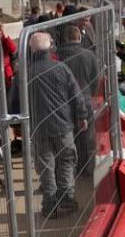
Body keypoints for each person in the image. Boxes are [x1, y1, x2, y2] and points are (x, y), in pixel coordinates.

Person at [28, 32, 88, 217]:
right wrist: (82, 115)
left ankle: (50, 205)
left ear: (31, 49)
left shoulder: (26, 73)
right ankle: (67, 200)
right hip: (63, 125)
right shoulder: (61, 68)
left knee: (46, 166)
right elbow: (76, 94)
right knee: (67, 162)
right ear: (51, 46)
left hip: (39, 127)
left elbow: (15, 101)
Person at [58, 25, 100, 171]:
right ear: (79, 37)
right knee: (85, 136)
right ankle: (85, 168)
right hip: (86, 98)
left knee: (67, 136)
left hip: (63, 102)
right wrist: (90, 94)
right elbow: (96, 79)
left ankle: (68, 168)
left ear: (65, 38)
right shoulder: (89, 55)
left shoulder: (57, 56)